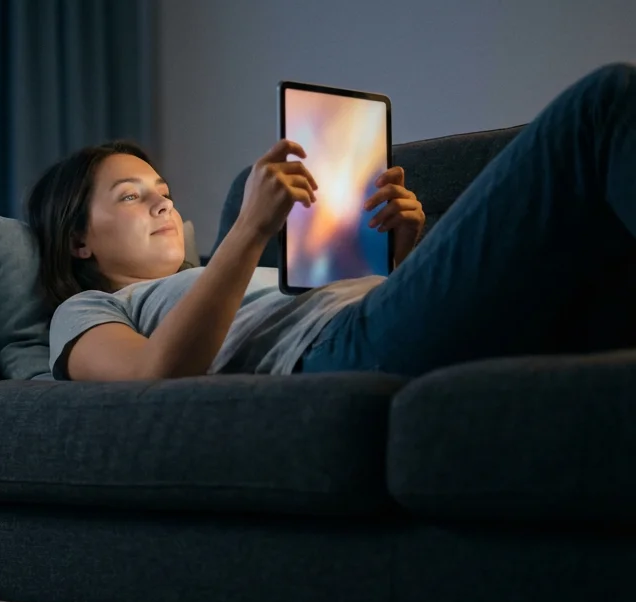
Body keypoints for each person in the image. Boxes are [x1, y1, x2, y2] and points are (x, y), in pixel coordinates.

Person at [35, 63, 636, 381]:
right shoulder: (88, 312)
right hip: (342, 349)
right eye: (132, 197)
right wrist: (247, 231)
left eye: (163, 191)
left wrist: (402, 259)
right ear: (79, 240)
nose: (164, 203)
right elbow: (150, 378)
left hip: (383, 313)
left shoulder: (229, 280)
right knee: (603, 104)